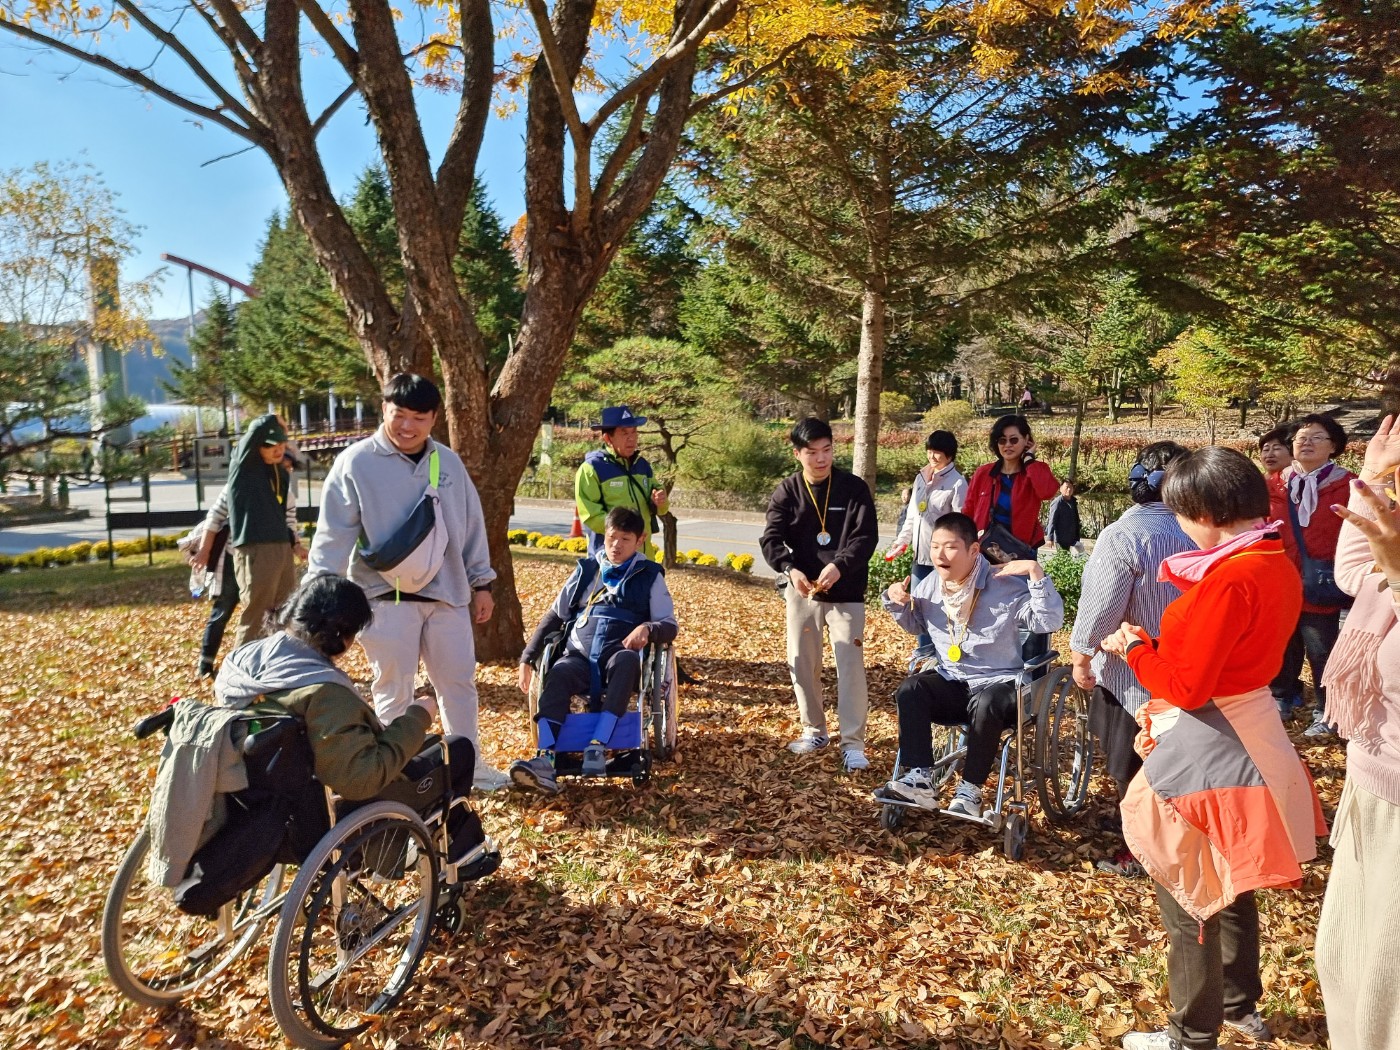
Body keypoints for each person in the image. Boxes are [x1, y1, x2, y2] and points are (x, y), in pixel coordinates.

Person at [1099, 447, 1325, 1050]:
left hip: (1210, 739)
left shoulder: (1229, 578)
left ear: (1205, 511)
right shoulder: (1272, 559)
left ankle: (1190, 1034)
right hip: (1253, 727)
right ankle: (1238, 1005)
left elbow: (1187, 686)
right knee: (1233, 878)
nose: (1179, 527)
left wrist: (1136, 649)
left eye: (1181, 514)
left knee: (1191, 888)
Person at [307, 373, 508, 792]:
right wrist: (318, 594)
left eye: (419, 417)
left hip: (447, 595)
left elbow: (471, 527)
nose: (407, 426)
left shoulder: (448, 463)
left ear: (434, 418)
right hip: (383, 598)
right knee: (393, 688)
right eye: (399, 414)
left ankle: (467, 766)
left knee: (458, 684)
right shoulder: (356, 462)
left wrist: (482, 583)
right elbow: (332, 536)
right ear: (384, 409)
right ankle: (394, 773)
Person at [214, 574, 485, 863]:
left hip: (254, 809)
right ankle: (459, 854)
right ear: (341, 636)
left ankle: (463, 844)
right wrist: (418, 717)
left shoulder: (239, 664)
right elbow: (362, 779)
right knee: (457, 750)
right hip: (329, 823)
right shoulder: (324, 692)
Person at [879, 512, 1064, 817]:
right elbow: (917, 625)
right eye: (935, 546)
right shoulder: (930, 585)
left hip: (1001, 686)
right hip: (954, 682)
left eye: (950, 547)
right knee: (911, 689)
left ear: (974, 550)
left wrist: (1035, 572)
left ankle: (970, 791)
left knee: (987, 701)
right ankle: (920, 779)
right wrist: (895, 600)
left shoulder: (1004, 585)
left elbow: (1048, 622)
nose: (940, 555)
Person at [1068, 441, 1193, 878]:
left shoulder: (1125, 534)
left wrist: (1081, 656)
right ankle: (1150, 831)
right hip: (1188, 665)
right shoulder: (1200, 530)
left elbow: (1101, 608)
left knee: (1131, 760)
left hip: (1133, 668)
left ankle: (1141, 849)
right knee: (1170, 756)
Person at [1315, 414, 1400, 1050]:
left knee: (1385, 985)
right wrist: (1372, 473)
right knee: (1342, 955)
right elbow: (1351, 570)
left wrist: (1397, 572)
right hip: (1369, 779)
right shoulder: (1382, 575)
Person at [510, 507, 679, 793]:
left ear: (640, 540)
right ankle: (546, 758)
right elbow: (554, 617)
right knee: (558, 672)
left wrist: (647, 629)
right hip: (578, 656)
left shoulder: (649, 575)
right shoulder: (587, 570)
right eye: (612, 537)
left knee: (626, 661)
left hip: (618, 654)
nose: (616, 545)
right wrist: (528, 657)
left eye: (625, 539)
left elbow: (669, 625)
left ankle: (598, 744)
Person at [759, 418, 879, 772]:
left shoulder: (853, 488)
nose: (822, 458)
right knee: (802, 662)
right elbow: (770, 538)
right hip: (802, 591)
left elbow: (865, 537)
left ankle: (853, 742)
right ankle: (814, 730)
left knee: (850, 665)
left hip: (846, 590)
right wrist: (790, 569)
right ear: (797, 454)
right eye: (812, 452)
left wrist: (840, 566)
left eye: (827, 450)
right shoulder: (787, 491)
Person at [1269, 413, 1355, 732]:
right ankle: (1283, 697)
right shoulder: (1274, 484)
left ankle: (1328, 711)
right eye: (1301, 438)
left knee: (1322, 651)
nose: (1306, 442)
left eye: (1317, 437)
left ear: (1333, 446)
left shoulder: (1348, 486)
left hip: (1321, 582)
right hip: (1280, 581)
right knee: (1281, 646)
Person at [194, 414, 301, 651]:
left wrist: (295, 544)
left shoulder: (280, 474)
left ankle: (277, 664)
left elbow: (286, 518)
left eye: (281, 444)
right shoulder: (243, 469)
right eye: (270, 445)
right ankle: (240, 669)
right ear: (256, 447)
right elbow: (253, 433)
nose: (278, 450)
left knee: (285, 613)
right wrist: (274, 419)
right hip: (255, 549)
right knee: (256, 615)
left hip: (281, 549)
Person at [888, 429, 968, 659]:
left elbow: (961, 523)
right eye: (929, 451)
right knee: (919, 608)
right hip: (921, 558)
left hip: (944, 562)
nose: (932, 456)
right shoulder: (920, 479)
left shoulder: (957, 483)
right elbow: (912, 517)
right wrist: (901, 542)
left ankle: (945, 657)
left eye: (937, 452)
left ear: (949, 455)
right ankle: (924, 656)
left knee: (944, 611)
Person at [575, 405, 668, 560]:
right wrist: (625, 535)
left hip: (643, 558)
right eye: (624, 433)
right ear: (608, 438)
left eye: (634, 432)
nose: (631, 438)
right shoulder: (591, 469)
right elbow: (591, 516)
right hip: (610, 559)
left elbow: (661, 504)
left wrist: (660, 501)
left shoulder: (642, 465)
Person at [964, 413, 1060, 550]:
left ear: (1026, 440)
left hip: (1020, 549)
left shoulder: (1035, 471)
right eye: (1002, 440)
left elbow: (1047, 492)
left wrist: (1029, 459)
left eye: (1014, 440)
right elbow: (968, 511)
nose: (1008, 445)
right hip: (984, 547)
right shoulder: (984, 473)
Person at [1044, 479, 1085, 556]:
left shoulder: (1073, 501)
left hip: (1072, 538)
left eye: (1071, 487)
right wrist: (1049, 538)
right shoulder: (1057, 502)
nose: (1069, 489)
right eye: (1066, 487)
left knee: (1079, 556)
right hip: (1061, 539)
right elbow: (1052, 521)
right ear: (1060, 489)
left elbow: (1076, 520)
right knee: (1063, 558)